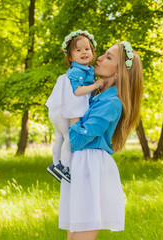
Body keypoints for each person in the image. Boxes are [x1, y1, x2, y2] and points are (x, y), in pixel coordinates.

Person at [59, 41, 143, 240]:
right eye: (103, 54)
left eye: (108, 57)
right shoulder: (96, 95)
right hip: (80, 164)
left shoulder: (112, 102)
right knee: (72, 235)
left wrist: (72, 112)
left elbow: (79, 139)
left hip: (91, 167)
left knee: (82, 235)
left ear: (119, 72)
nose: (99, 58)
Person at [45, 30, 105, 183]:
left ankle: (55, 163)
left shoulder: (87, 69)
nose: (84, 52)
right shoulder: (77, 70)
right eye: (78, 50)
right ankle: (65, 167)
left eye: (87, 49)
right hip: (66, 110)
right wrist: (95, 85)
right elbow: (77, 91)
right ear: (70, 57)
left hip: (60, 109)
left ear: (93, 51)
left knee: (59, 137)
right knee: (69, 138)